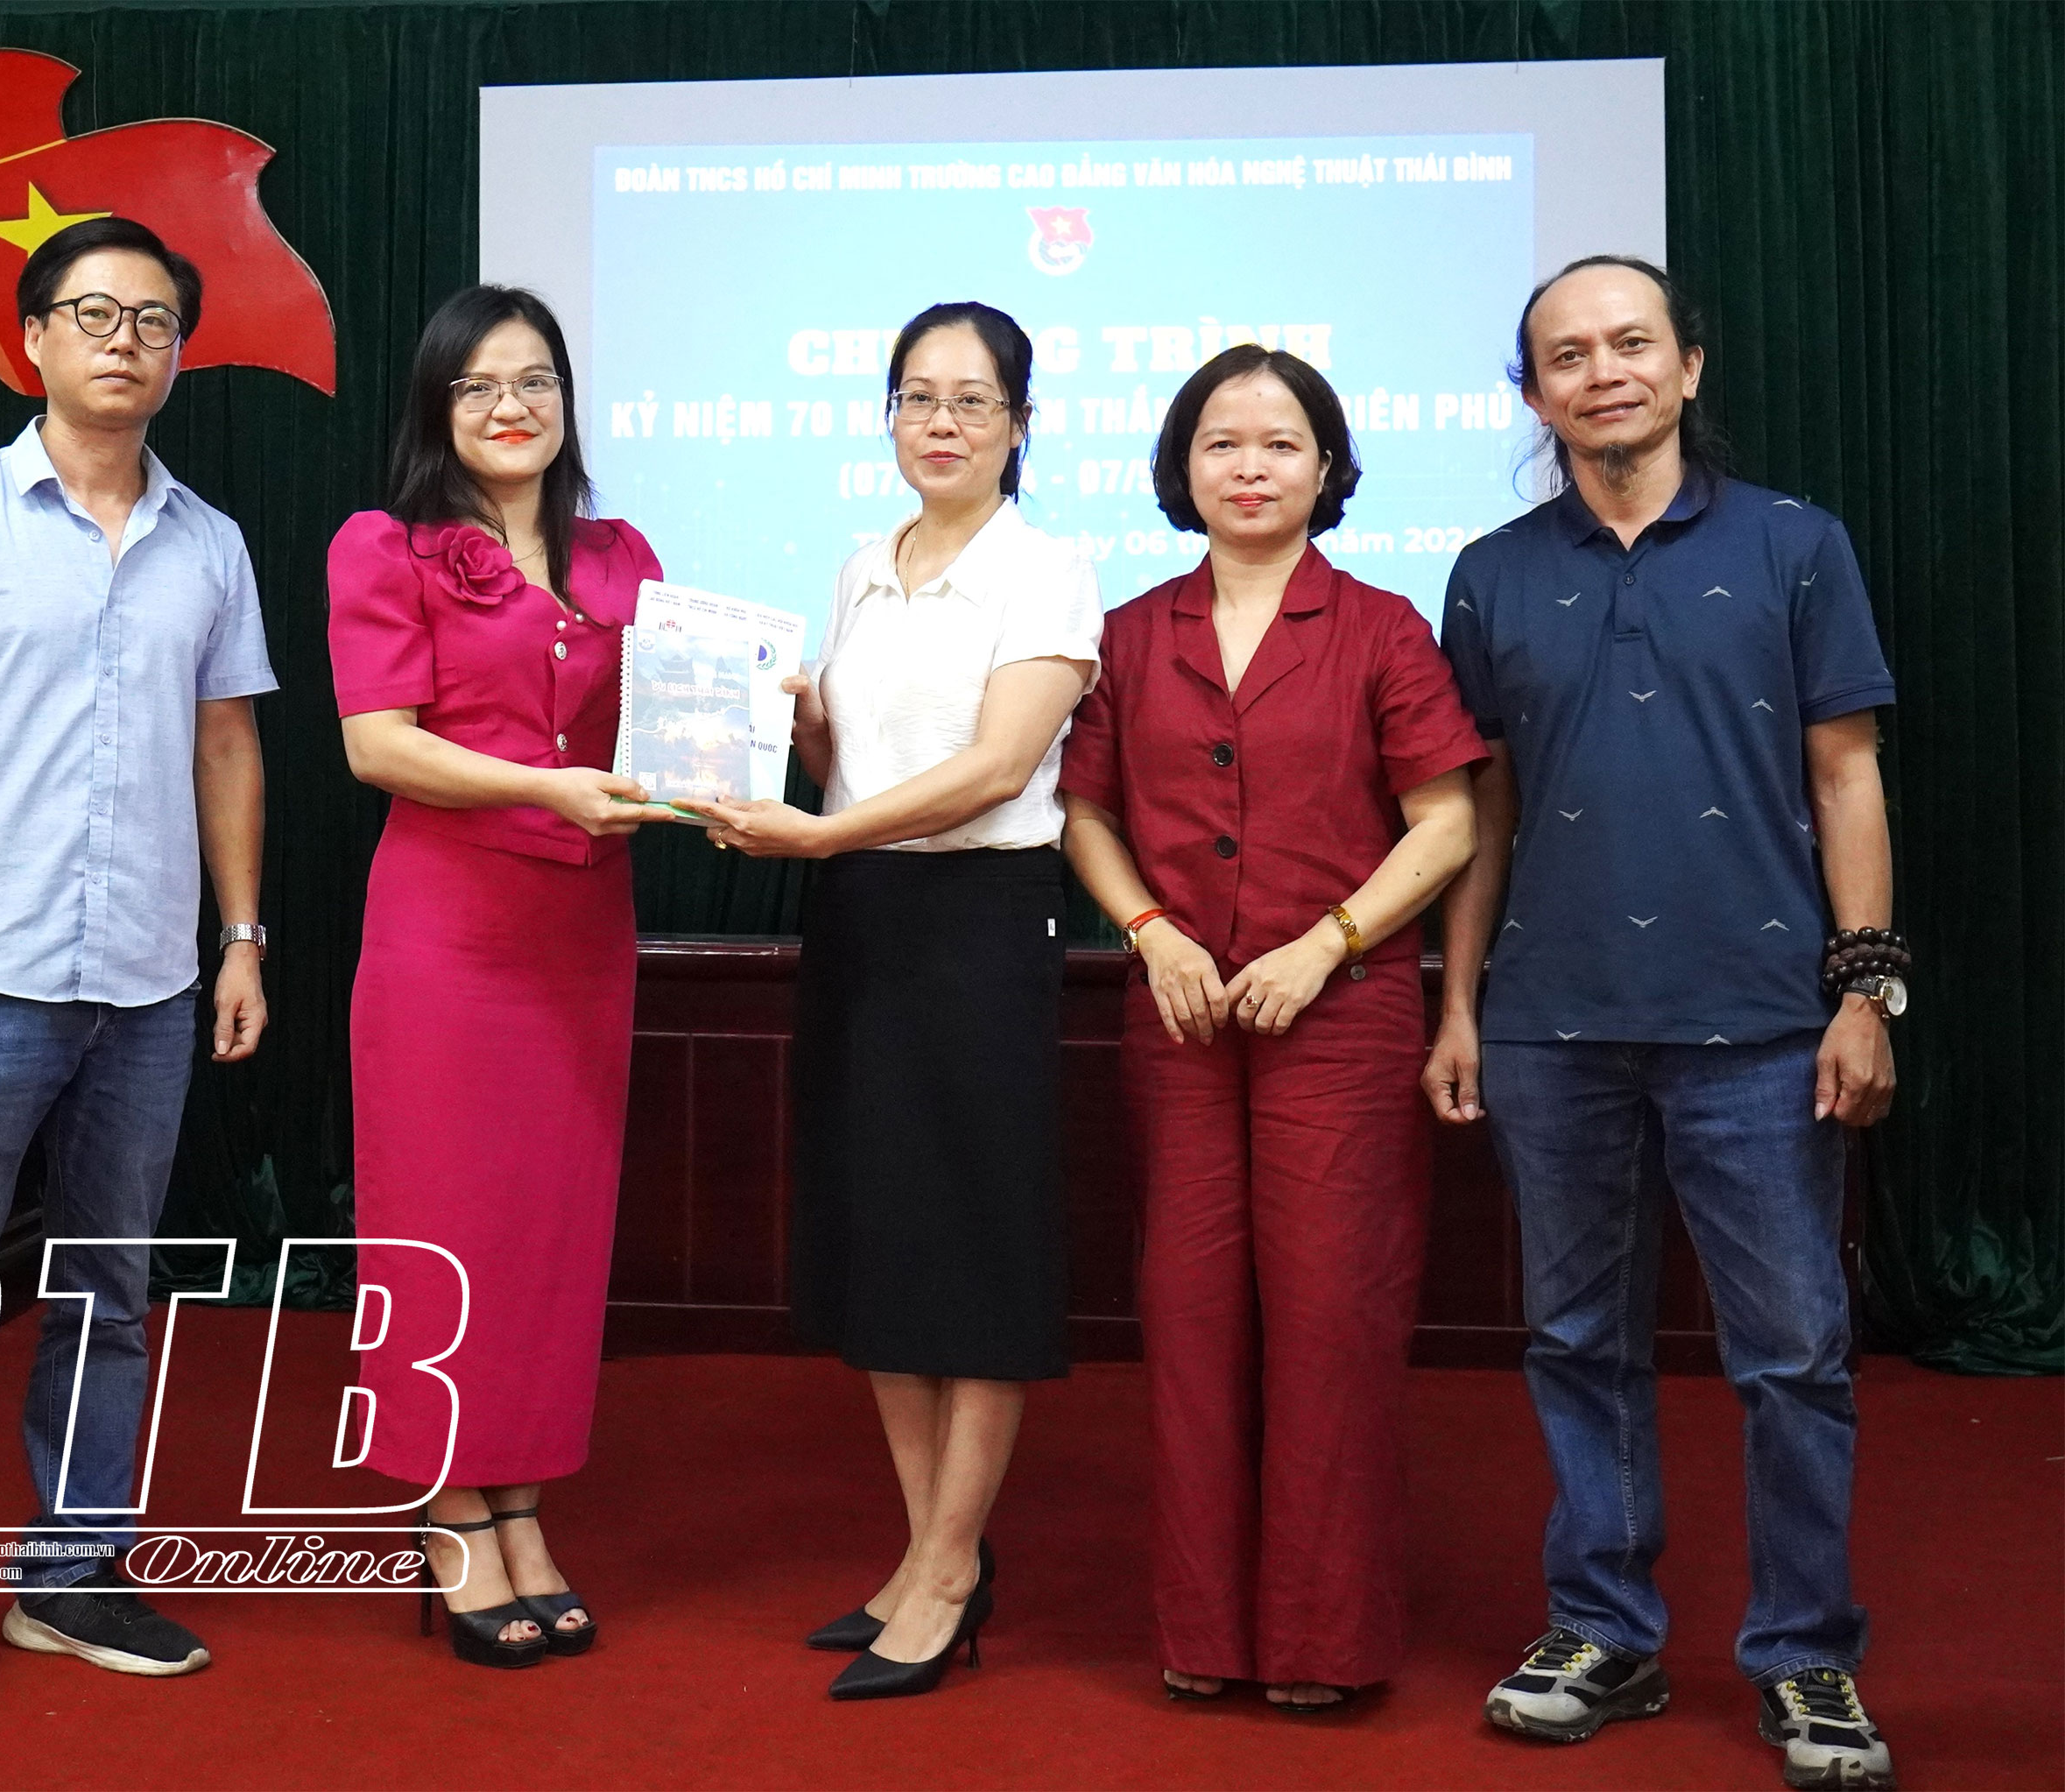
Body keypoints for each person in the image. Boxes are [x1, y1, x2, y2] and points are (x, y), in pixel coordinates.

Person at [1429, 255, 1902, 1791]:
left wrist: (1866, 991)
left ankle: (1807, 1650)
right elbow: (1482, 810)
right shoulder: (1490, 574)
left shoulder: (1795, 544)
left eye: (1631, 343)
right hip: (1551, 1024)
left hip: (1763, 1022)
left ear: (1689, 366)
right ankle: (1604, 1627)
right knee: (1577, 1341)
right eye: (1567, 356)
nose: (1603, 372)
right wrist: (1460, 1001)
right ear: (1532, 393)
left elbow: (1847, 775)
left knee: (1793, 1356)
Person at [0, 215, 274, 1723]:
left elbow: (229, 745)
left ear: (180, 354)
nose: (124, 341)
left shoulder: (210, 543)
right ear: (32, 338)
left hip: (151, 981)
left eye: (154, 320)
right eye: (94, 313)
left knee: (111, 1289)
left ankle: (73, 1570)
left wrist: (241, 938)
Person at [1058, 345, 1484, 1712]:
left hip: (1342, 1021)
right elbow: (1085, 812)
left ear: (1328, 467)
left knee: (1330, 1326)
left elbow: (1448, 822)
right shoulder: (1130, 633)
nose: (1251, 466)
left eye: (1281, 442)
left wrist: (1327, 941)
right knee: (1189, 1325)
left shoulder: (1382, 627)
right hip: (1180, 1017)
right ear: (1181, 466)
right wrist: (1151, 930)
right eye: (1222, 442)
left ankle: (1322, 1638)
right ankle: (1204, 1626)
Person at [695, 300, 1101, 1701]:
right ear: (886, 415)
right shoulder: (864, 564)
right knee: (880, 1236)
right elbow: (856, 763)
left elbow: (993, 770)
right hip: (864, 914)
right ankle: (932, 1549)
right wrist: (796, 728)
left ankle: (945, 1566)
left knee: (973, 1242)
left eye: (973, 401)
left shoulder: (1046, 569)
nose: (942, 423)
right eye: (918, 397)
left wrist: (819, 832)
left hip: (981, 921)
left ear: (1020, 425)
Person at [328, 284, 670, 1669]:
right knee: (443, 1221)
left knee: (548, 1227)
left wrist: (763, 715)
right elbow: (378, 744)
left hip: (582, 932)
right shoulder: (387, 547)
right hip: (447, 934)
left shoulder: (621, 555)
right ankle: (450, 1508)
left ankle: (522, 1499)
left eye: (533, 381)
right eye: (477, 386)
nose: (510, 406)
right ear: (438, 408)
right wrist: (548, 785)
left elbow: (675, 715)